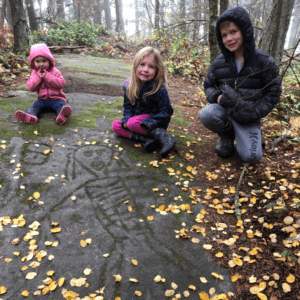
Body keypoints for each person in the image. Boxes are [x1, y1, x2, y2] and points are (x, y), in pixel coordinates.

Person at [199, 6, 282, 163]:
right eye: (223, 35)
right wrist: (217, 97)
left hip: (249, 117)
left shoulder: (264, 61)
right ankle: (227, 134)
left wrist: (255, 112)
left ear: (245, 31)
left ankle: (253, 133)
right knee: (207, 114)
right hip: (226, 112)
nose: (228, 38)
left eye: (233, 32)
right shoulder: (219, 62)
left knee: (252, 157)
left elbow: (273, 93)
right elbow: (208, 85)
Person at [112, 47, 177, 157]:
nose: (145, 69)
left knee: (132, 123)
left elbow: (166, 112)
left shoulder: (158, 89)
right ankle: (149, 140)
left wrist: (148, 122)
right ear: (135, 66)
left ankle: (165, 137)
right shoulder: (128, 85)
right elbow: (128, 106)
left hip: (155, 123)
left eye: (151, 67)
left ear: (157, 71)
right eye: (142, 64)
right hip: (136, 122)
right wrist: (126, 120)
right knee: (116, 126)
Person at [15, 43, 72, 125]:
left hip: (56, 99)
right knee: (35, 106)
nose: (41, 64)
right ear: (33, 62)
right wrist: (38, 78)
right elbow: (31, 87)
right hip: (42, 100)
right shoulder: (34, 73)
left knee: (61, 105)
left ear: (49, 60)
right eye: (37, 61)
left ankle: (62, 115)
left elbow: (61, 84)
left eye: (44, 61)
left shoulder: (55, 71)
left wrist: (47, 76)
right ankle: (31, 116)